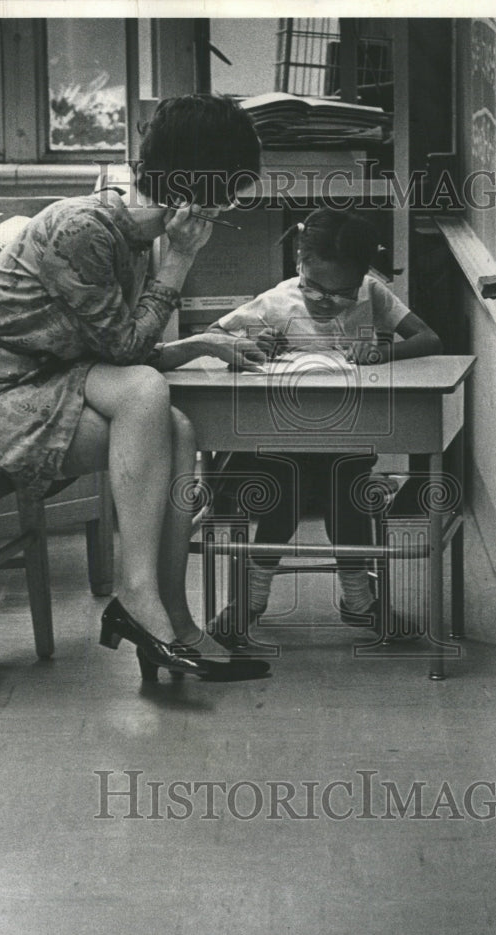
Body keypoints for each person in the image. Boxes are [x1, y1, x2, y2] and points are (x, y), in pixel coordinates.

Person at [0, 94, 270, 684]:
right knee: (147, 395)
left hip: (32, 383)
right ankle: (136, 597)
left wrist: (203, 344)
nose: (227, 208)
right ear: (196, 188)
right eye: (226, 193)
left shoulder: (127, 234)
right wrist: (178, 262)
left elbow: (115, 346)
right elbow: (127, 354)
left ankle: (172, 616)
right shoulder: (84, 229)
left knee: (175, 426)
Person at [205, 207, 443, 647]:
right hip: (281, 435)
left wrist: (383, 354)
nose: (327, 302)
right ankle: (250, 601)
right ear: (299, 260)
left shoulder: (373, 293)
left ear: (362, 276)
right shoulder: (277, 301)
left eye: (343, 294)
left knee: (350, 505)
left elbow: (429, 339)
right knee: (280, 505)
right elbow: (212, 337)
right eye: (315, 289)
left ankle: (359, 602)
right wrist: (251, 343)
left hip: (349, 430)